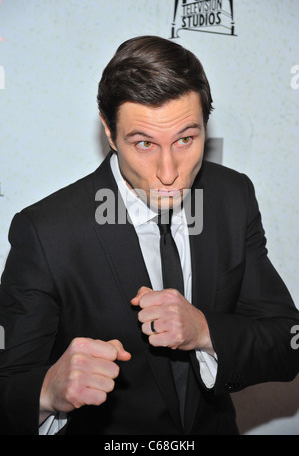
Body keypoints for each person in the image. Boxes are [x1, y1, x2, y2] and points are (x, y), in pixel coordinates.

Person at [0, 35, 298, 436]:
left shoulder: (232, 197)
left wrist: (205, 331)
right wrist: (46, 393)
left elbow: (287, 341)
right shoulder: (48, 232)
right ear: (109, 132)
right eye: (143, 144)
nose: (169, 171)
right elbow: (9, 384)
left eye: (185, 140)